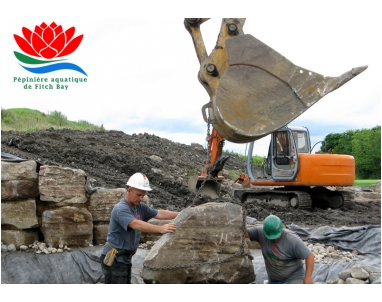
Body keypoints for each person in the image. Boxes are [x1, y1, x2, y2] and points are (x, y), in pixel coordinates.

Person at [100, 172, 179, 284]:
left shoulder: (139, 206)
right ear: (130, 190)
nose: (141, 198)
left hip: (125, 258)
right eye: (139, 195)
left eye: (143, 195)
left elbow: (159, 213)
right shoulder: (121, 209)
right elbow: (135, 224)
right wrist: (160, 229)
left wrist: (181, 213)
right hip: (115, 258)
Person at [245, 214, 314, 284]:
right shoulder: (260, 232)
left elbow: (309, 256)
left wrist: (308, 277)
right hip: (274, 280)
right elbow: (245, 233)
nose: (274, 239)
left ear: (281, 230)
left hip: (293, 277)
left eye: (276, 236)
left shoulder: (292, 240)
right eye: (271, 238)